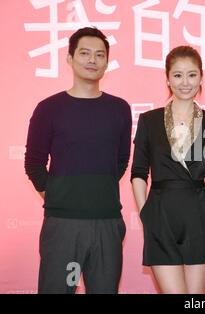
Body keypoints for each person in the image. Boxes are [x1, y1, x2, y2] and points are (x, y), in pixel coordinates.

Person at [24, 27, 132, 294]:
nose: (92, 60)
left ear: (107, 62)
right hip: (63, 226)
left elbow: (120, 161)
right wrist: (60, 194)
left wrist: (94, 192)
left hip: (107, 223)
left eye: (99, 55)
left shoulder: (120, 108)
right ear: (70, 59)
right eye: (84, 53)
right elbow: (34, 162)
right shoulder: (49, 108)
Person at [131, 46, 205, 294]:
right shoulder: (149, 121)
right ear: (168, 79)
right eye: (178, 75)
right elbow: (139, 172)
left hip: (198, 217)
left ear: (201, 77)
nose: (185, 82)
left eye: (192, 75)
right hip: (160, 215)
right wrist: (145, 212)